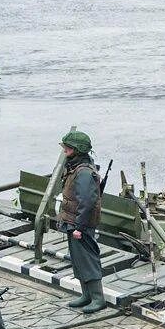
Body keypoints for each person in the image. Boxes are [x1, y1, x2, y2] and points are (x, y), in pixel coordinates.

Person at [58, 130, 107, 314]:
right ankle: (86, 295)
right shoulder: (77, 168)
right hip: (73, 222)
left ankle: (97, 298)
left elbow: (86, 201)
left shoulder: (84, 172)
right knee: (78, 260)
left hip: (81, 224)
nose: (65, 151)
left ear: (77, 150)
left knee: (87, 260)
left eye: (68, 148)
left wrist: (79, 226)